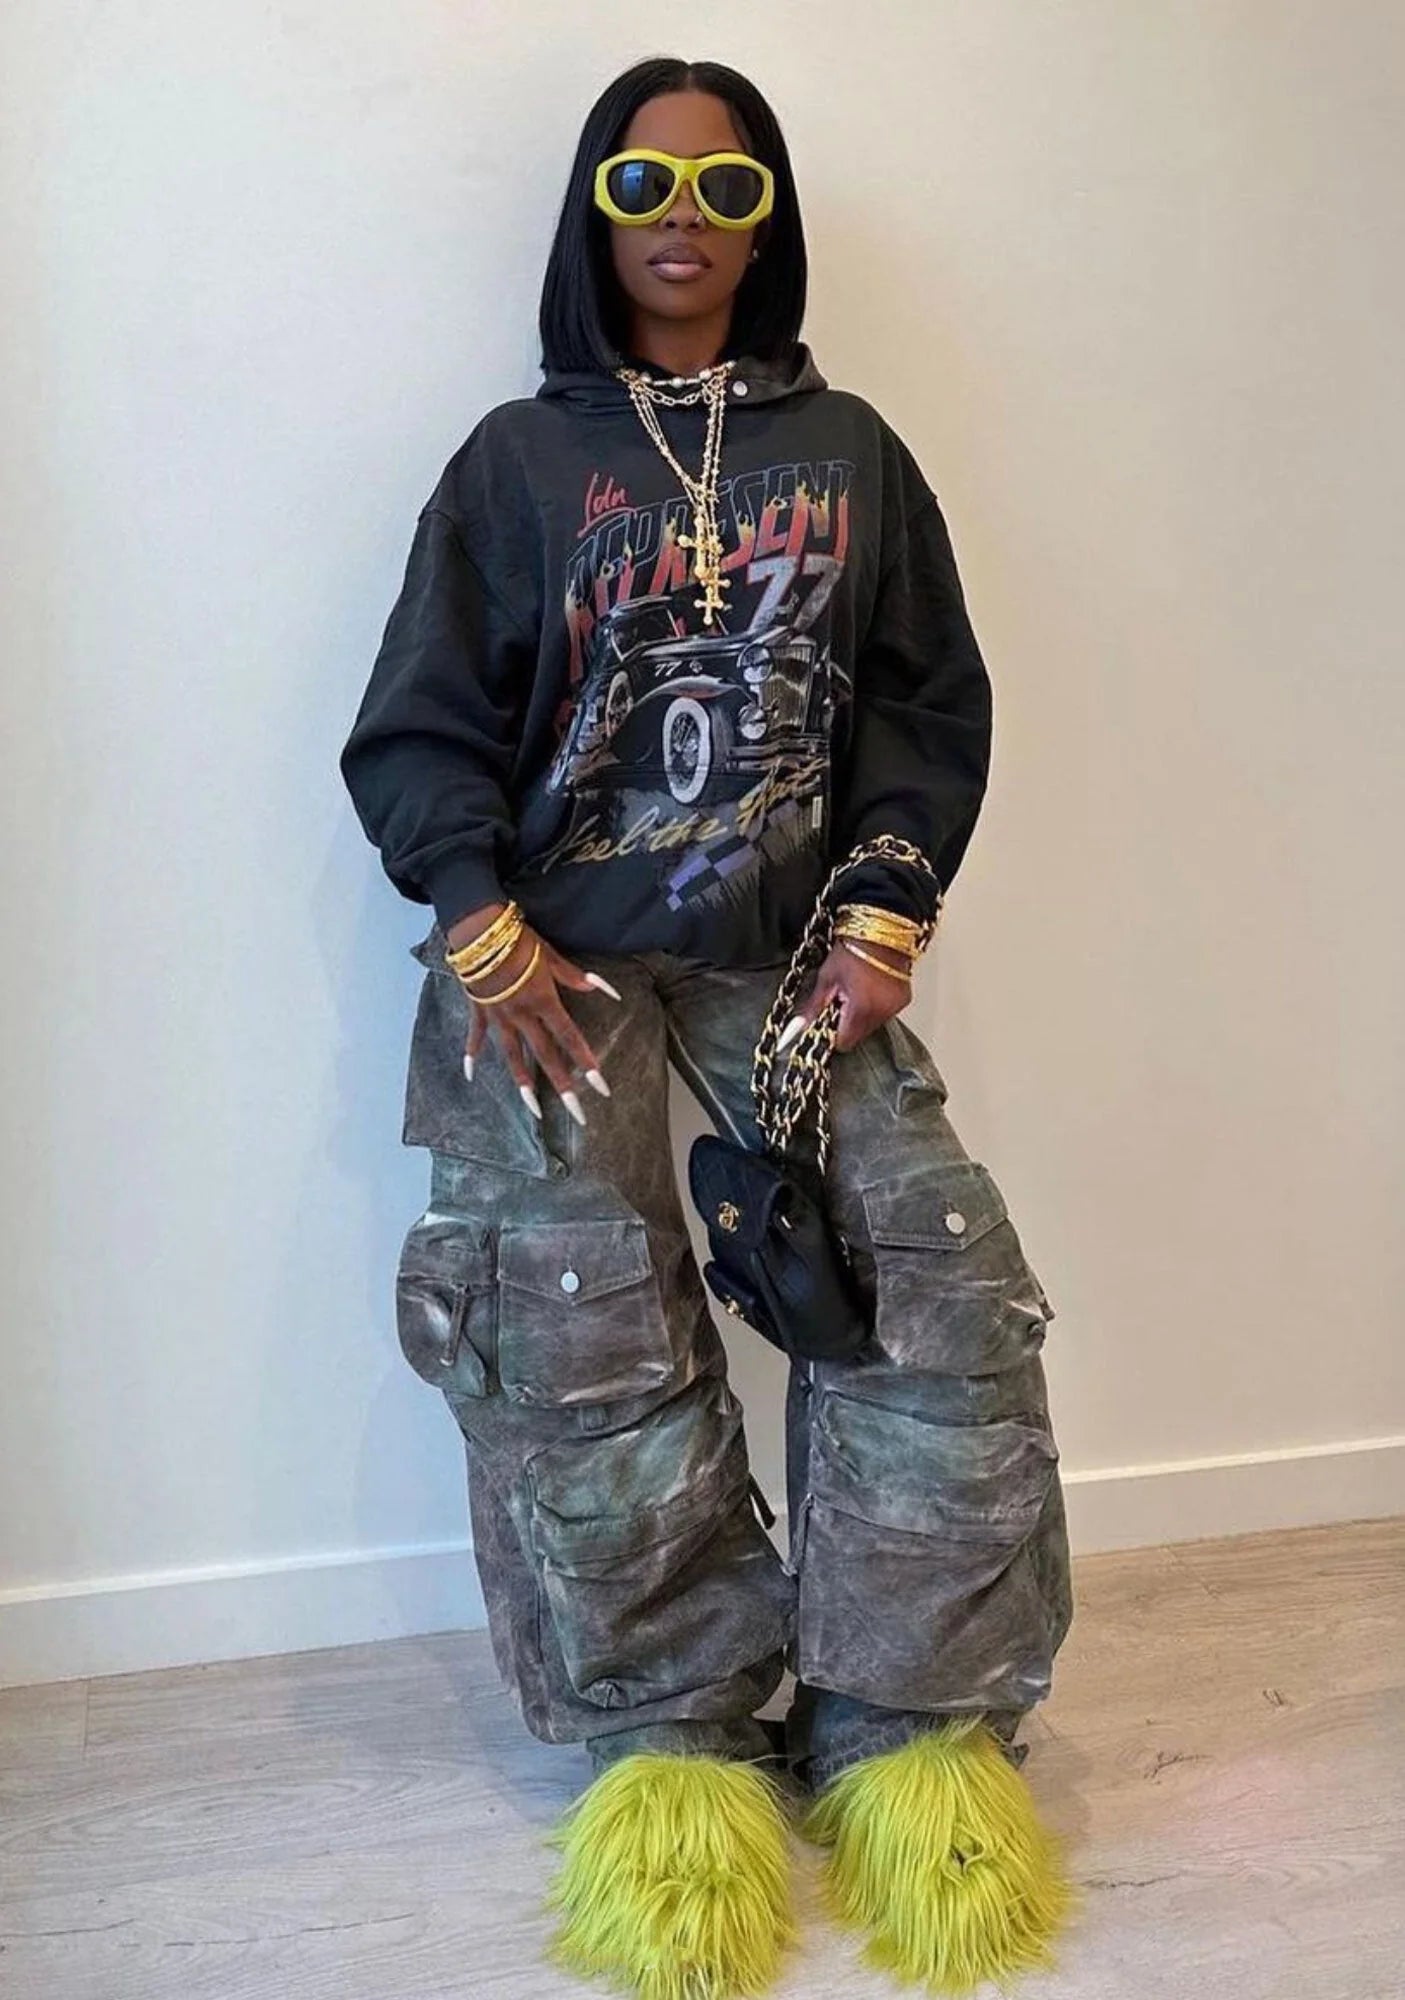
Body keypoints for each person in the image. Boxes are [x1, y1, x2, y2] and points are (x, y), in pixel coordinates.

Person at [340, 54, 1076, 2000]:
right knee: (570, 1332)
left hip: (787, 949)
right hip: (551, 965)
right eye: (646, 185)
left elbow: (924, 700)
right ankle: (668, 1737)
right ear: (595, 212)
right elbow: (416, 720)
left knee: (928, 1287)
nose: (684, 218)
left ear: (768, 219)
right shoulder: (516, 463)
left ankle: (905, 1724)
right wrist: (475, 917)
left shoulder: (850, 452)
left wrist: (888, 900)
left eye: (726, 188)